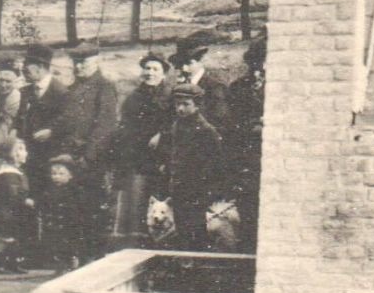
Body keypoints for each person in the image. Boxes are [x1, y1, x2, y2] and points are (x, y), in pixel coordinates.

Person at [50, 43, 119, 266]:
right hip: (72, 160)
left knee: (94, 211)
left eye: (84, 62)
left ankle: (94, 259)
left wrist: (87, 157)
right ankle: (76, 257)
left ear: (96, 61)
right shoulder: (72, 89)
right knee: (73, 210)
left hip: (93, 161)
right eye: (76, 62)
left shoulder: (104, 87)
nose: (79, 66)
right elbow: (66, 122)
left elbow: (105, 127)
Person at [108, 52, 172, 249]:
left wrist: (163, 134)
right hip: (138, 158)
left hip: (164, 158)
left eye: (155, 69)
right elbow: (125, 129)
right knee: (137, 202)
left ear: (164, 74)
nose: (150, 73)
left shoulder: (170, 96)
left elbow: (175, 122)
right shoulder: (133, 98)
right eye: (147, 69)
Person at [15, 44, 68, 267]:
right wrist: (18, 141)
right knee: (28, 203)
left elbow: (69, 121)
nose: (24, 69)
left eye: (28, 65)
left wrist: (52, 131)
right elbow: (19, 122)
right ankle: (31, 253)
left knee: (53, 205)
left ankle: (53, 254)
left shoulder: (61, 91)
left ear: (41, 67)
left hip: (52, 159)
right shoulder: (25, 92)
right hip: (30, 159)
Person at [158, 81, 226, 251]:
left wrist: (204, 190)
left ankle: (197, 269)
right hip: (179, 189)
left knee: (196, 234)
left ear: (197, 105)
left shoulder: (205, 130)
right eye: (177, 104)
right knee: (182, 232)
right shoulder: (177, 125)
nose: (180, 109)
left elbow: (214, 164)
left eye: (185, 104)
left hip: (196, 191)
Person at [227, 35, 267, 251]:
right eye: (257, 61)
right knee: (248, 213)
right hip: (246, 159)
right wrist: (254, 125)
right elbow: (231, 125)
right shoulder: (238, 88)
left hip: (272, 159)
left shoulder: (283, 87)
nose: (260, 67)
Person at [0, 135, 35, 272]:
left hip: (12, 211)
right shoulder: (9, 173)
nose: (25, 152)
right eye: (21, 149)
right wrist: (25, 200)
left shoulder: (15, 171)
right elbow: (13, 193)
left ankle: (10, 263)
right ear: (14, 154)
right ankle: (0, 263)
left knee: (12, 237)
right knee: (6, 238)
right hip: (6, 213)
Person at [170, 31, 231, 139]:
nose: (184, 68)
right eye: (180, 64)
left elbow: (220, 120)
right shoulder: (180, 87)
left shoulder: (214, 86)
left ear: (201, 61)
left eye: (189, 63)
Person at [0, 58, 24, 152]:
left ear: (16, 81)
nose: (3, 85)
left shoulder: (21, 101)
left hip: (11, 145)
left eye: (8, 81)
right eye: (0, 80)